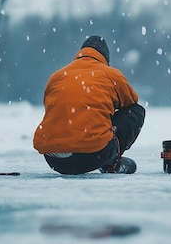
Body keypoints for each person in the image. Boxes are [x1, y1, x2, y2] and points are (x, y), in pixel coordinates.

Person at [33, 35, 145, 175]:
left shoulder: (56, 76)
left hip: (53, 159)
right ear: (105, 58)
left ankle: (73, 149)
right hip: (91, 155)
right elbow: (132, 102)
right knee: (135, 112)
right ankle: (112, 163)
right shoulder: (111, 74)